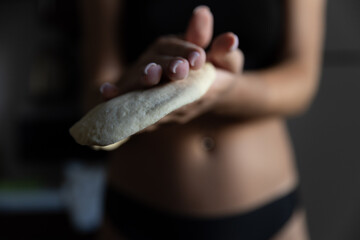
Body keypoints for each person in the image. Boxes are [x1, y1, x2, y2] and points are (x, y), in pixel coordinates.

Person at [80, 0, 326, 239]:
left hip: (265, 207)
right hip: (138, 209)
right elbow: (96, 95)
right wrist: (130, 88)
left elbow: (302, 78)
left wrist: (228, 91)